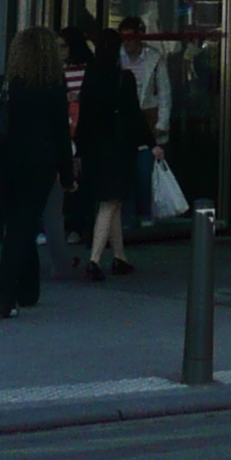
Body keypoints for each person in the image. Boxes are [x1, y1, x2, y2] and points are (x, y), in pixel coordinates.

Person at [0, 23, 72, 318]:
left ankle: (28, 289)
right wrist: (67, 175)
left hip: (1, 165)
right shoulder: (52, 87)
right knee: (22, 226)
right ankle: (3, 293)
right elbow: (60, 135)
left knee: (17, 222)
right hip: (38, 165)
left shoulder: (1, 84)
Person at [75, 27, 144, 280]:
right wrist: (150, 142)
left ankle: (120, 256)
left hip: (94, 148)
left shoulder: (90, 77)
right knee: (110, 202)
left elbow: (83, 118)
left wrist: (79, 150)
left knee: (112, 202)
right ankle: (94, 259)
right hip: (118, 148)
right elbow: (134, 115)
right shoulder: (123, 79)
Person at [116, 14, 171, 226]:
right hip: (125, 119)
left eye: (131, 38)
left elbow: (165, 93)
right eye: (124, 38)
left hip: (147, 118)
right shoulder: (117, 58)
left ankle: (147, 212)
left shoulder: (154, 58)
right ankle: (128, 215)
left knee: (145, 170)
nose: (128, 42)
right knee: (126, 170)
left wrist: (161, 124)